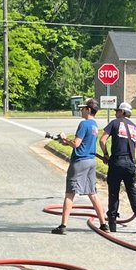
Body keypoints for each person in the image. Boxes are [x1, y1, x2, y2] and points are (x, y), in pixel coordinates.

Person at [51, 98, 108, 234]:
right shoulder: (94, 125)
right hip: (90, 162)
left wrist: (64, 138)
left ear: (88, 110)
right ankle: (103, 224)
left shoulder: (84, 124)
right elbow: (83, 143)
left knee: (70, 193)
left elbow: (76, 144)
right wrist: (65, 142)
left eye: (83, 108)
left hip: (79, 162)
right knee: (92, 193)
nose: (81, 110)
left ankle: (63, 226)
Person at [99, 101, 136, 234]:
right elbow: (135, 148)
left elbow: (102, 140)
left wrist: (106, 154)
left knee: (114, 192)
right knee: (132, 192)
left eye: (117, 111)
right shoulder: (135, 128)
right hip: (130, 163)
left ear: (122, 112)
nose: (115, 113)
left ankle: (112, 222)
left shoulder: (114, 123)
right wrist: (133, 163)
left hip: (116, 162)